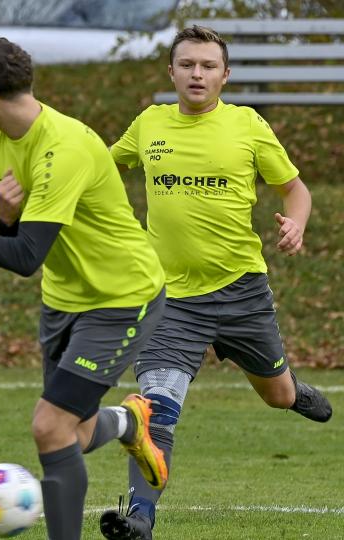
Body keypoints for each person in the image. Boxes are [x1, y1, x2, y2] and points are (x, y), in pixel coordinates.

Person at [0, 36, 169, 540]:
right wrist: (5, 215)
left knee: (49, 426)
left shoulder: (64, 147)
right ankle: (130, 422)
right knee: (75, 433)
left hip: (122, 297)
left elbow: (26, 259)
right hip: (63, 300)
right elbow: (20, 241)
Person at [98, 25, 333, 540]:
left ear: (225, 75)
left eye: (207, 66)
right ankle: (141, 517)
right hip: (169, 300)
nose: (197, 74)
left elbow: (296, 190)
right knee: (156, 408)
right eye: (187, 64)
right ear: (172, 72)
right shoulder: (149, 125)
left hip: (242, 291)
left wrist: (296, 222)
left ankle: (292, 392)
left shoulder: (248, 126)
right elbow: (98, 168)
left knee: (274, 394)